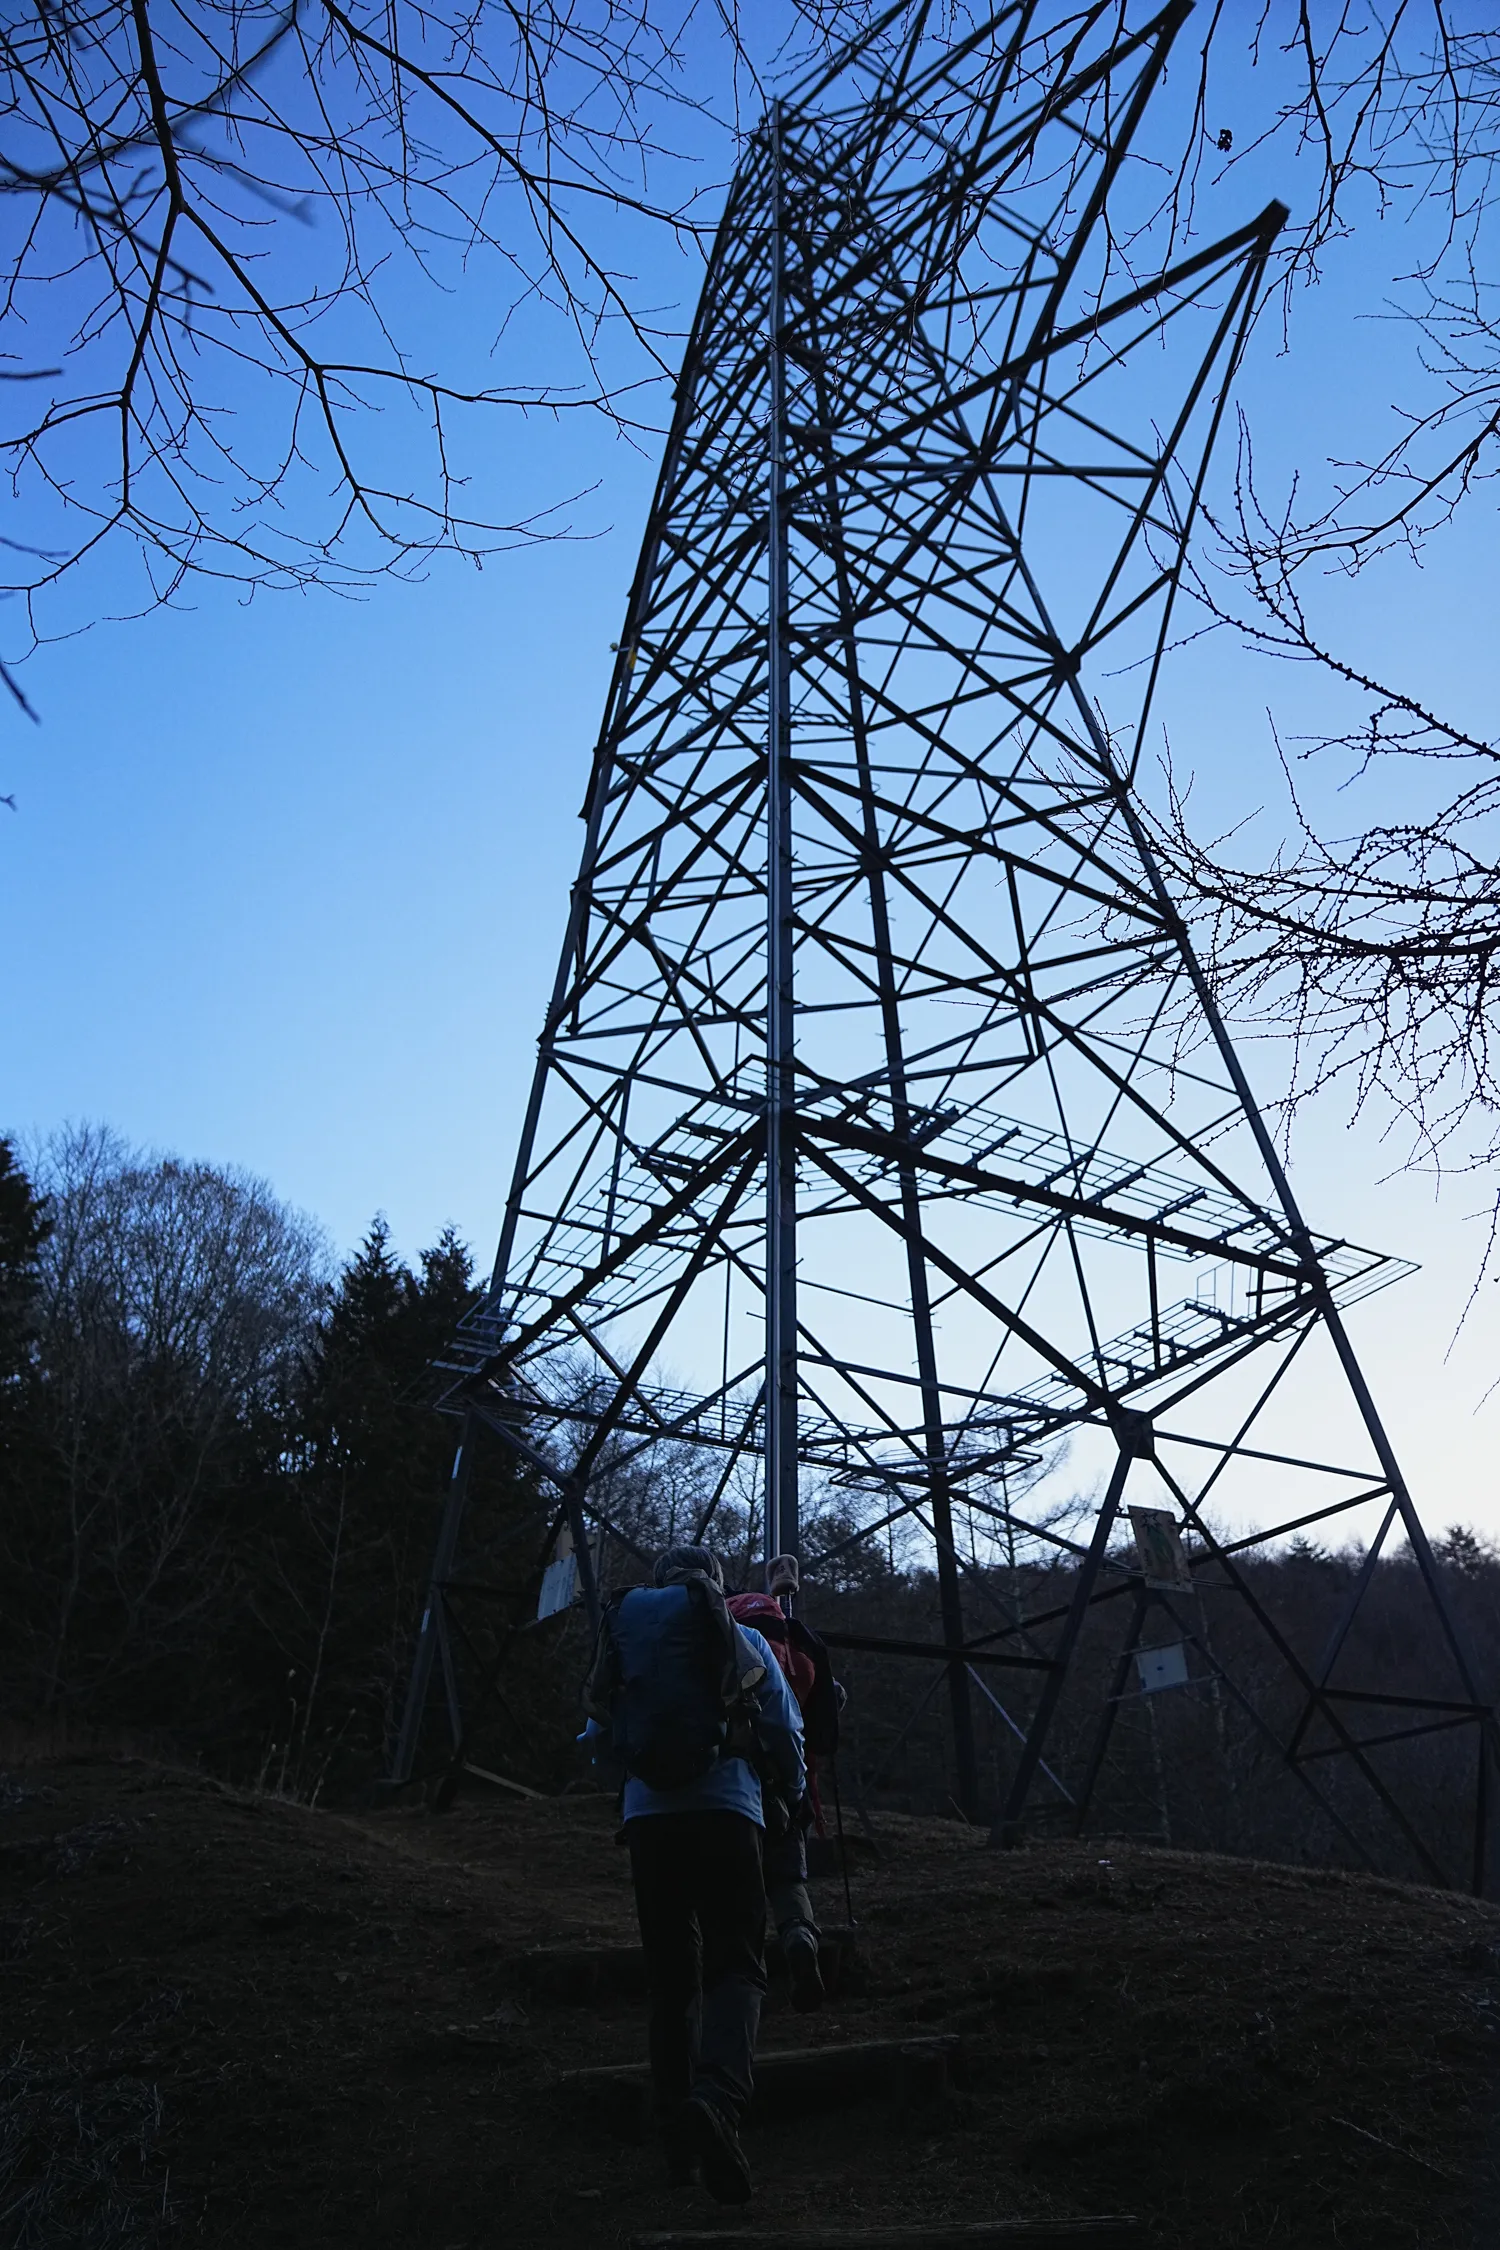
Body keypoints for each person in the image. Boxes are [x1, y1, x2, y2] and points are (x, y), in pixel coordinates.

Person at [582, 1544, 804, 2205]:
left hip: (650, 1823)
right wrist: (789, 1795)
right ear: (715, 1586)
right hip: (729, 1814)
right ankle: (717, 2102)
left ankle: (676, 2149)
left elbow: (596, 1735)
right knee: (736, 1966)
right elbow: (784, 1727)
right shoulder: (739, 1638)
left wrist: (631, 1784)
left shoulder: (627, 1638)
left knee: (670, 1981)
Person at [727, 1554, 842, 2013]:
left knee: (737, 1881)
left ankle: (744, 1980)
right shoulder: (805, 1641)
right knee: (788, 1876)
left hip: (731, 1781)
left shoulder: (725, 1635)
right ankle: (799, 1938)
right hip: (790, 1776)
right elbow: (824, 1728)